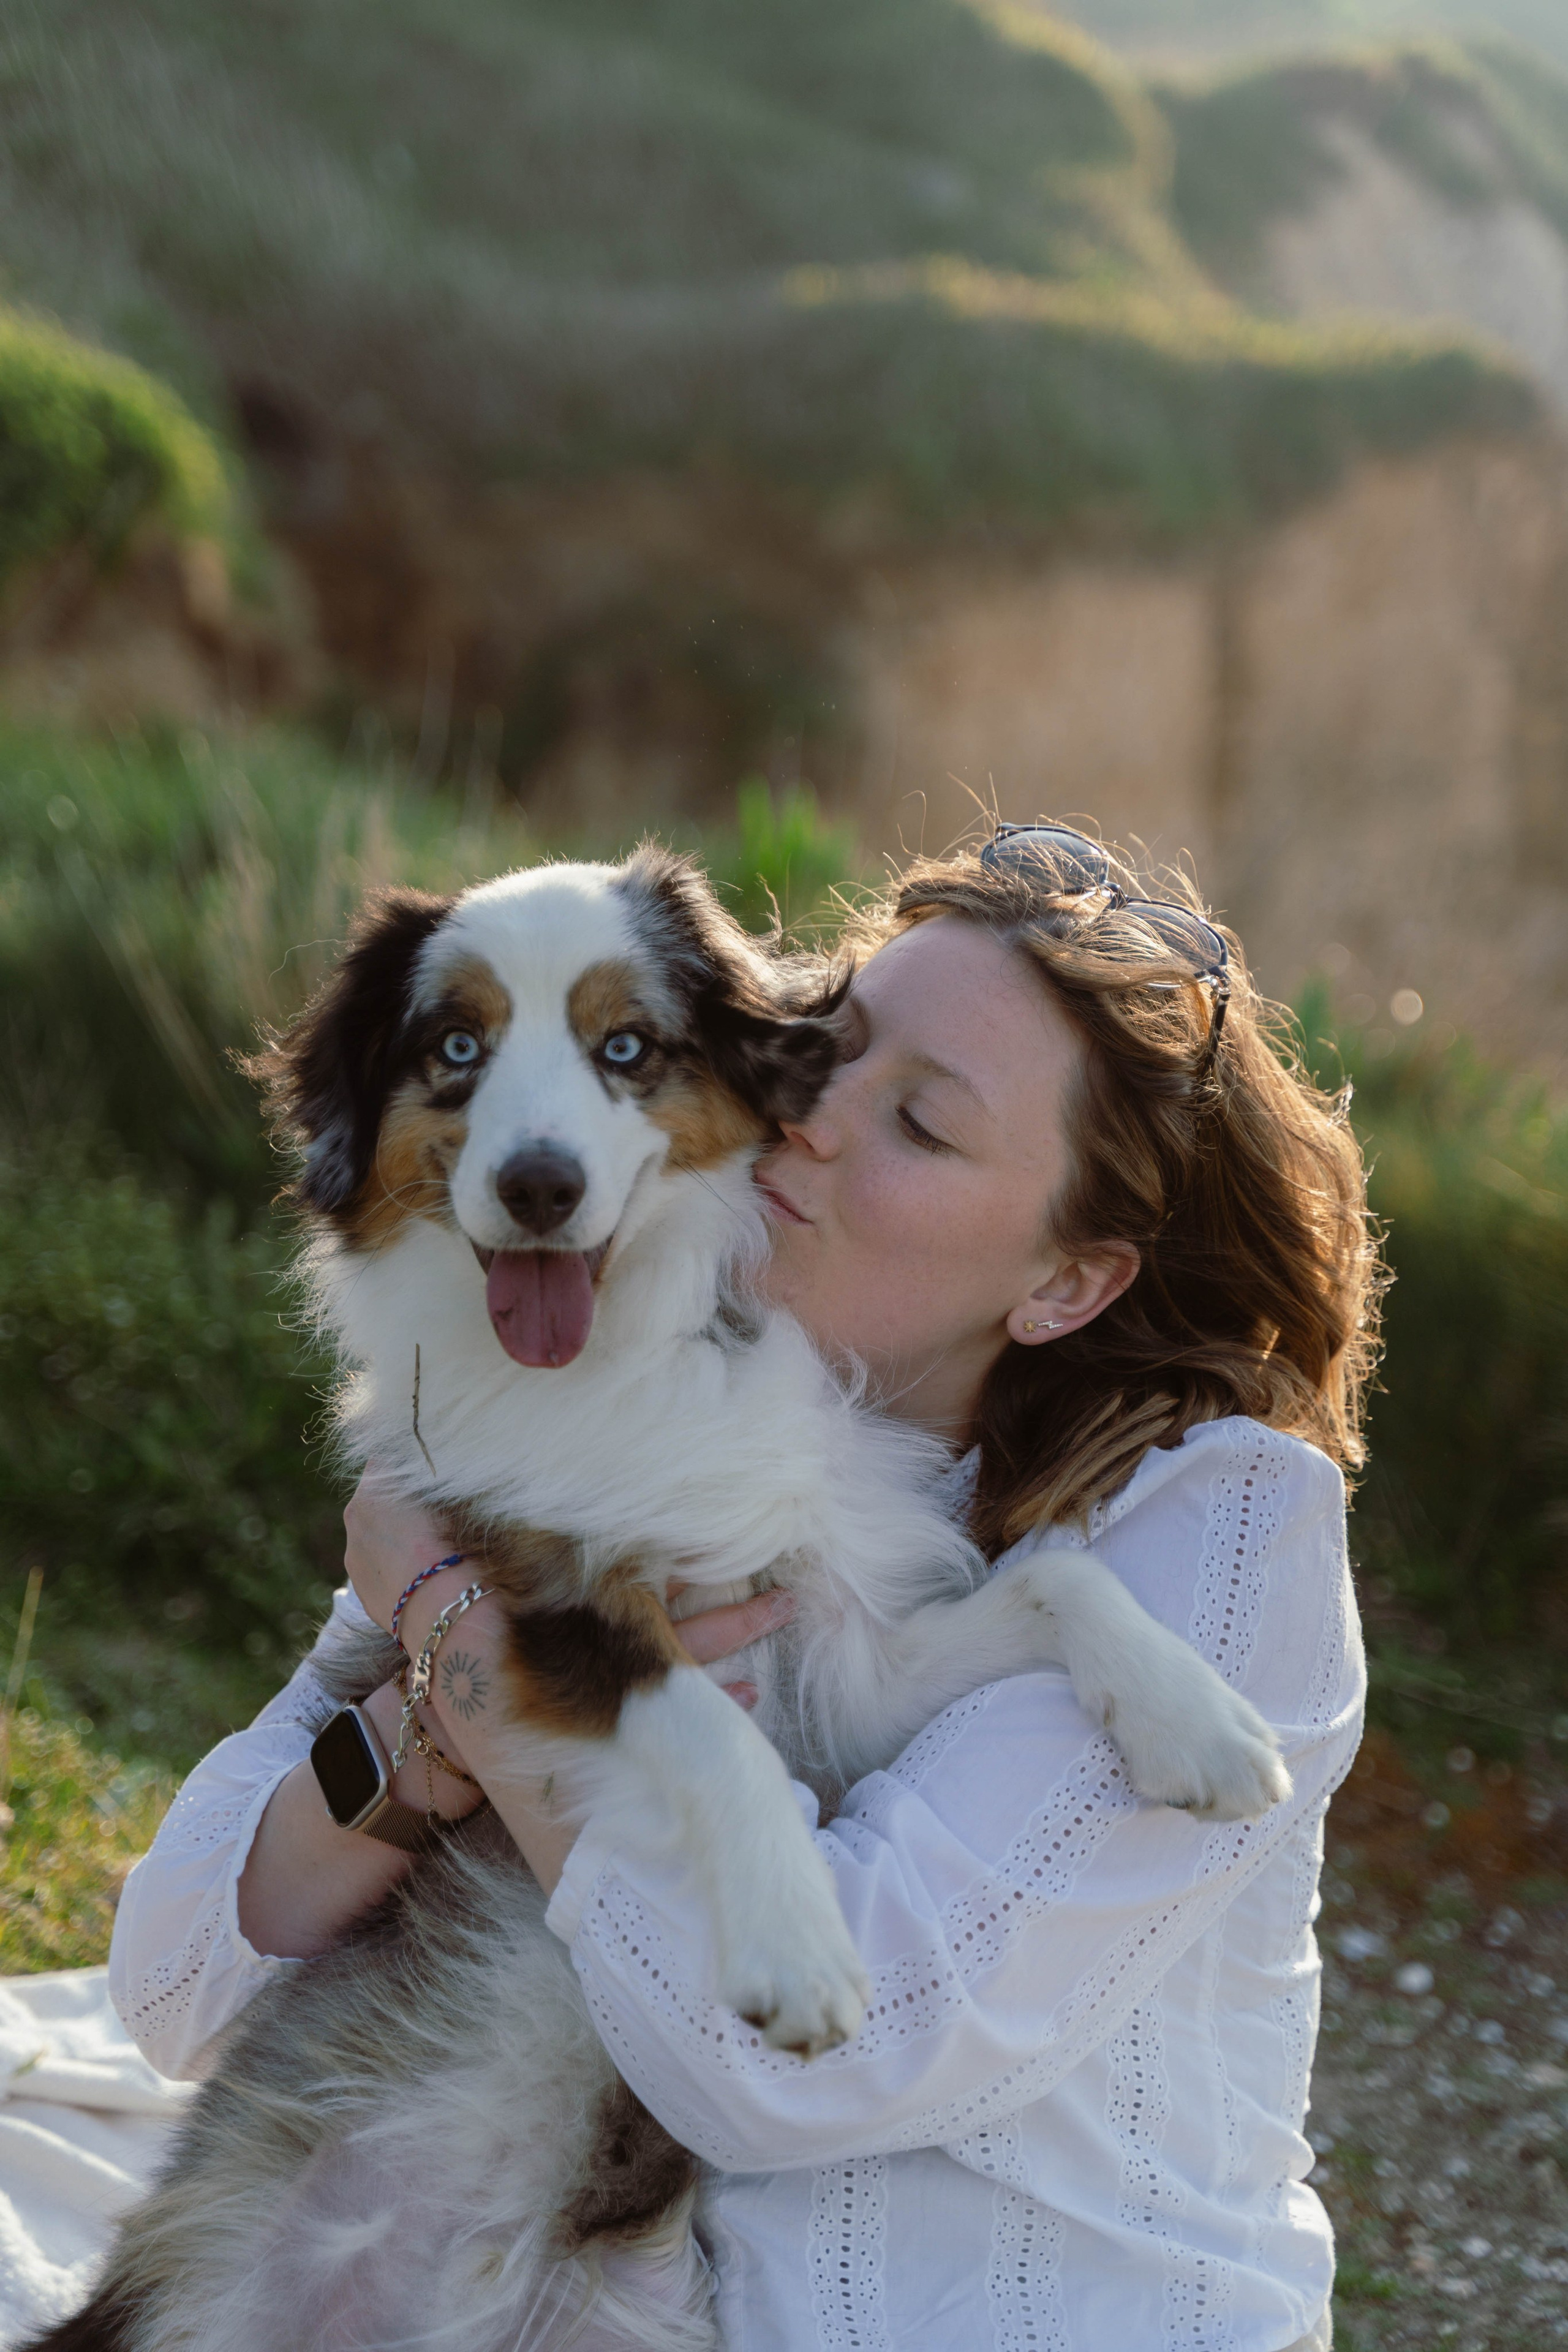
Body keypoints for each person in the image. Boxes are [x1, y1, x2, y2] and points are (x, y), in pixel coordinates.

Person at [109, 824, 1372, 2352]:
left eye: (920, 1122)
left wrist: (467, 1654)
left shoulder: (1220, 1525)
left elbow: (797, 2065)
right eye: (824, 1049)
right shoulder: (609, 1404)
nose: (815, 1120)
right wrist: (428, 1728)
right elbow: (178, 1974)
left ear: (1065, 1282)